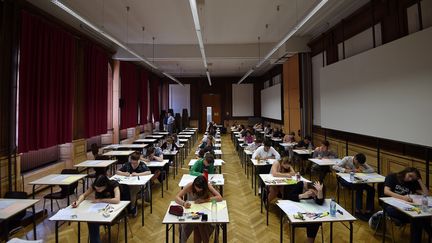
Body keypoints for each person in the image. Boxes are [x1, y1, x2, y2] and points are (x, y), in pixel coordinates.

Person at [383, 167, 430, 242]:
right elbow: (386, 191)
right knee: (418, 218)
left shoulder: (412, 182)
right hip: (391, 206)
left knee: (419, 218)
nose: (410, 179)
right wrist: (403, 198)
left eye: (413, 178)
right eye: (410, 176)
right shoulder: (392, 177)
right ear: (405, 172)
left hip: (407, 207)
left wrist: (419, 180)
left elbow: (426, 194)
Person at [72, 175, 121, 243]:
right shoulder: (95, 186)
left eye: (99, 189)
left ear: (105, 185)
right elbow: (83, 195)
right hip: (99, 211)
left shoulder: (113, 184)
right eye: (96, 189)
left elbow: (117, 200)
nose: (97, 190)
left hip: (113, 211)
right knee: (91, 220)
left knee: (93, 221)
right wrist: (77, 202)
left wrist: (101, 200)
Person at [175, 176, 223, 243]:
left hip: (205, 213)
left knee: (201, 224)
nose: (197, 190)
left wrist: (204, 200)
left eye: (200, 189)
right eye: (196, 188)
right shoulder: (190, 185)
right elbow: (177, 197)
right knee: (197, 225)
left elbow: (220, 197)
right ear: (194, 184)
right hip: (191, 214)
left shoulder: (208, 186)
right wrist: (183, 203)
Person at [332, 153, 375, 220]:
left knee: (371, 189)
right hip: (343, 179)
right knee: (359, 187)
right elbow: (334, 166)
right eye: (357, 163)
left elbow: (372, 170)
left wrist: (362, 171)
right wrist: (345, 170)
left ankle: (368, 211)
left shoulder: (360, 161)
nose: (358, 165)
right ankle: (358, 211)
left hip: (356, 180)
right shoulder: (347, 159)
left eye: (360, 164)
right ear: (354, 158)